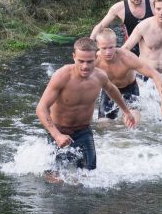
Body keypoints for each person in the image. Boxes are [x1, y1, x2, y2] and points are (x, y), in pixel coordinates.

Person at [36, 37, 136, 172]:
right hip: (59, 131)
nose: (85, 66)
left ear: (96, 57)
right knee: (55, 178)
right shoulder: (62, 76)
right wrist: (56, 135)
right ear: (74, 57)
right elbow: (41, 108)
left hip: (84, 132)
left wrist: (126, 111)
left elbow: (112, 90)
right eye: (81, 61)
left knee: (90, 176)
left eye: (89, 62)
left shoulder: (100, 76)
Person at [94, 28, 162, 125]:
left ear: (116, 43)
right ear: (97, 46)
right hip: (109, 92)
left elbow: (155, 74)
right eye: (104, 48)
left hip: (129, 90)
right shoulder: (94, 61)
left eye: (111, 47)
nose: (108, 52)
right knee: (104, 126)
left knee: (132, 125)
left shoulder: (126, 57)